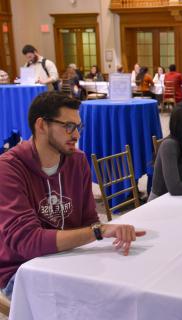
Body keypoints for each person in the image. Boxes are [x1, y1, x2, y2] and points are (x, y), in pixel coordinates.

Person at [0, 92, 145, 299]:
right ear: (41, 125)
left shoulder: (77, 160)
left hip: (69, 257)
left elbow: (88, 220)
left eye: (78, 127)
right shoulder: (8, 168)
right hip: (21, 269)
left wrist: (98, 232)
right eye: (68, 126)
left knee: (124, 289)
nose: (76, 135)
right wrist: (98, 231)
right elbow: (27, 242)